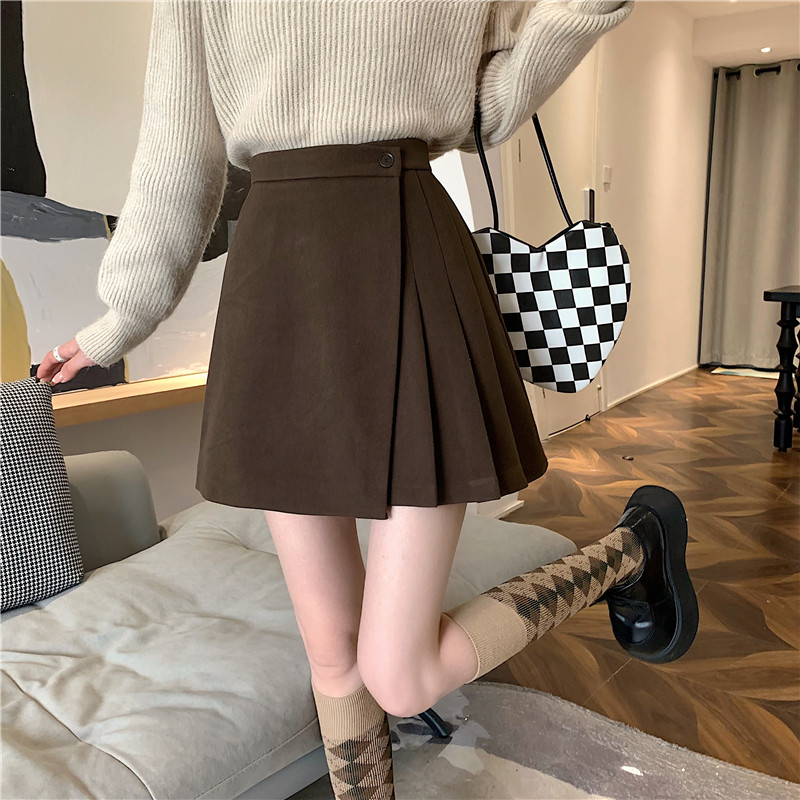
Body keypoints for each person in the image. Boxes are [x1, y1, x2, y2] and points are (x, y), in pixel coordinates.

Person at [37, 2, 699, 798]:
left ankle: (632, 551)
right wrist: (121, 320)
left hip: (413, 251)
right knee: (331, 659)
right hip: (278, 278)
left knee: (399, 674)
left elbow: (484, 110)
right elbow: (179, 154)